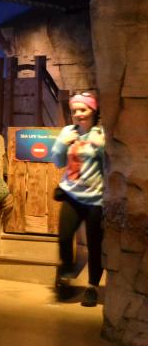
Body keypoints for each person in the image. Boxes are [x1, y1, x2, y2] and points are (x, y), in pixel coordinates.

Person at [50, 92, 106, 307]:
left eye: (83, 109)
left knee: (94, 245)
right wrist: (62, 144)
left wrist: (101, 147)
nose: (79, 114)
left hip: (95, 199)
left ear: (93, 110)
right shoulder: (68, 131)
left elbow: (111, 166)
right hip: (71, 194)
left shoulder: (101, 133)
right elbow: (57, 161)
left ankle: (92, 287)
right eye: (75, 111)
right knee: (64, 237)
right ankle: (66, 274)